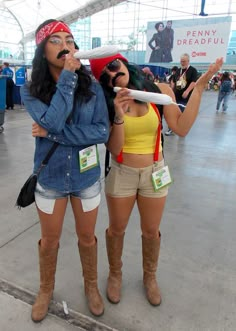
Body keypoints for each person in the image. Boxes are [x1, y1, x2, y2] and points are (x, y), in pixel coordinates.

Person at [89, 54, 223, 307]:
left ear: (124, 63)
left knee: (151, 231)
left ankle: (150, 277)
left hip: (155, 171)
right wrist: (118, 114)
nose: (113, 74)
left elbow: (181, 128)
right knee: (116, 229)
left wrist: (201, 86)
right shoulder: (108, 103)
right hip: (122, 172)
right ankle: (115, 274)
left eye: (114, 66)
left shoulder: (159, 91)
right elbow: (114, 147)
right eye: (104, 75)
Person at [20, 19, 109, 322]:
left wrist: (51, 134)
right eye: (55, 40)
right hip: (51, 178)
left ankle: (92, 286)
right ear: (42, 50)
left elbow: (101, 131)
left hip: (86, 177)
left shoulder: (93, 87)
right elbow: (54, 120)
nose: (65, 45)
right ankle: (46, 289)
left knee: (87, 237)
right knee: (50, 240)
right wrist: (69, 77)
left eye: (69, 39)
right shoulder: (30, 91)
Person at [165, 53, 198, 136]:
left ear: (188, 61)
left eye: (184, 61)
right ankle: (171, 128)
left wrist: (187, 91)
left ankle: (179, 128)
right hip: (176, 95)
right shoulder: (179, 70)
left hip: (186, 97)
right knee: (172, 112)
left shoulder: (193, 70)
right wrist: (171, 91)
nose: (182, 63)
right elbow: (174, 82)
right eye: (181, 61)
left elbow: (194, 82)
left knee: (181, 112)